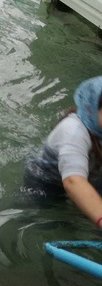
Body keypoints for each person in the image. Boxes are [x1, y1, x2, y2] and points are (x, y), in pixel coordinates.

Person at [24, 76, 102, 229]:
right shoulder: (73, 132)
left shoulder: (98, 128)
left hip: (93, 177)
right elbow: (74, 182)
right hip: (48, 184)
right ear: (93, 108)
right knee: (49, 223)